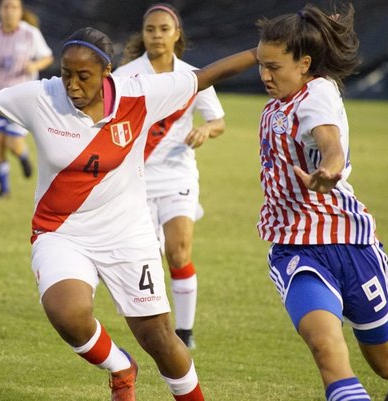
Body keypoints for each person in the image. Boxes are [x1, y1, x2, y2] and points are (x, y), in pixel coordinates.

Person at [0, 26, 257, 400]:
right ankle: (121, 367)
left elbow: (208, 75)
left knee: (158, 338)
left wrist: (261, 52)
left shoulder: (139, 95)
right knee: (67, 313)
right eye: (65, 74)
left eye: (83, 76)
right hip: (61, 232)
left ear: (107, 71)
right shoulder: (41, 96)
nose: (72, 85)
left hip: (128, 235)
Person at [256, 4, 388, 401]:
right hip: (297, 249)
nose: (263, 74)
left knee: (387, 362)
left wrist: (328, 170)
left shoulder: (317, 93)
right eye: (261, 64)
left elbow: (330, 142)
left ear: (304, 63)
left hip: (351, 244)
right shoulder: (278, 102)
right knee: (327, 349)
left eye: (273, 67)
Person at [114, 3, 226, 350]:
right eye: (150, 29)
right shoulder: (126, 75)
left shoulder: (195, 76)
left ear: (177, 34)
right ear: (143, 34)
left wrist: (206, 130)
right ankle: (154, 326)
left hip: (178, 174)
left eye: (164, 29)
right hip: (137, 178)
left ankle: (185, 332)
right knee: (145, 258)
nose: (157, 35)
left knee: (178, 252)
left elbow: (218, 121)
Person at [0, 0, 54, 198]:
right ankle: (4, 189)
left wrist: (34, 66)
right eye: (5, 7)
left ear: (20, 11)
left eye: (14, 7)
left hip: (21, 98)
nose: (9, 12)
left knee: (13, 144)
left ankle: (22, 156)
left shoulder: (30, 33)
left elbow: (47, 57)